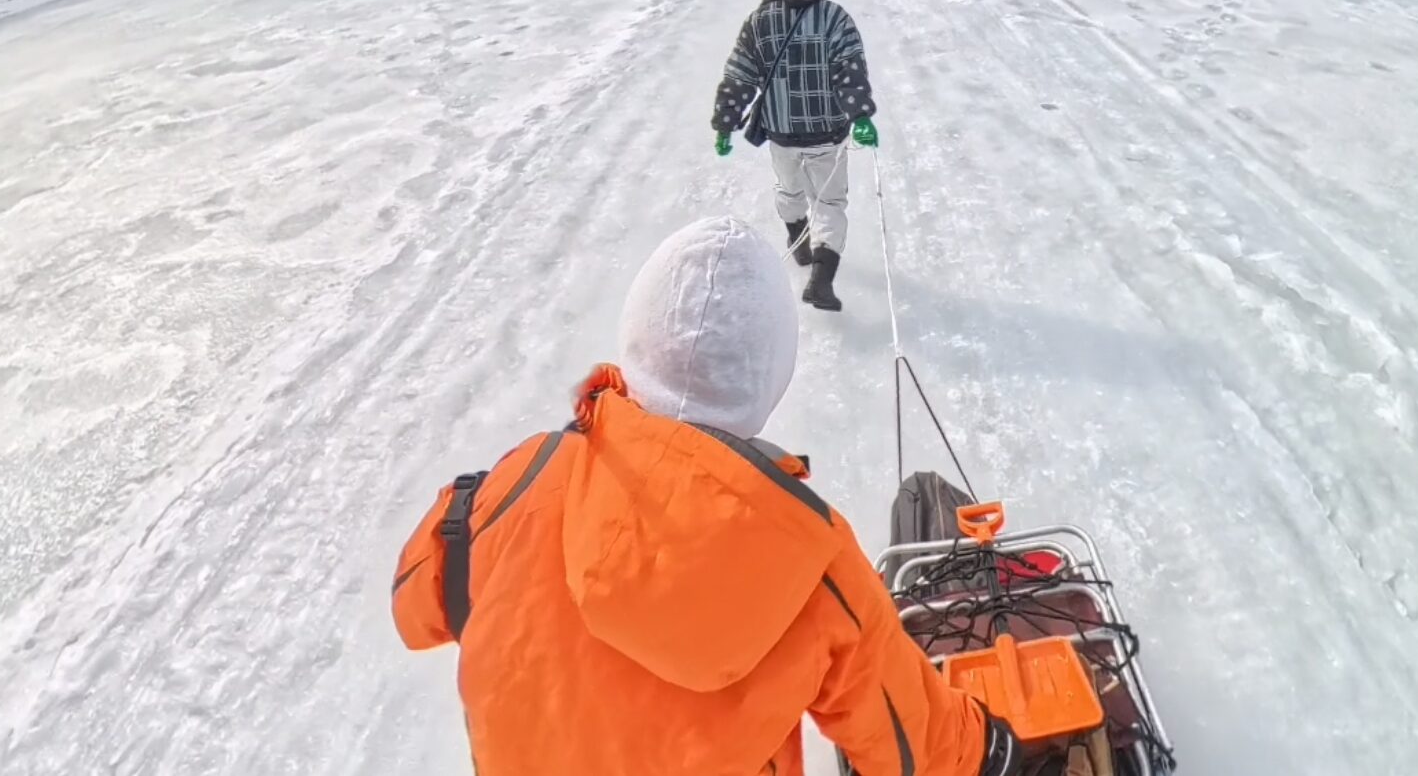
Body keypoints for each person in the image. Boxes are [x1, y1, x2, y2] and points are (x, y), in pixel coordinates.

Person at [391, 218, 1021, 776]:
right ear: (771, 376)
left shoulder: (522, 477)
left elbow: (415, 606)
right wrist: (995, 747)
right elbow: (920, 747)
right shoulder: (805, 560)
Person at [711, 0, 877, 311]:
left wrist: (725, 124)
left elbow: (739, 77)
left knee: (789, 190)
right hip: (827, 135)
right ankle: (821, 280)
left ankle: (798, 243)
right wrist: (861, 116)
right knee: (829, 202)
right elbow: (850, 71)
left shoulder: (759, 22)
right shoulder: (835, 17)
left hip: (782, 134)